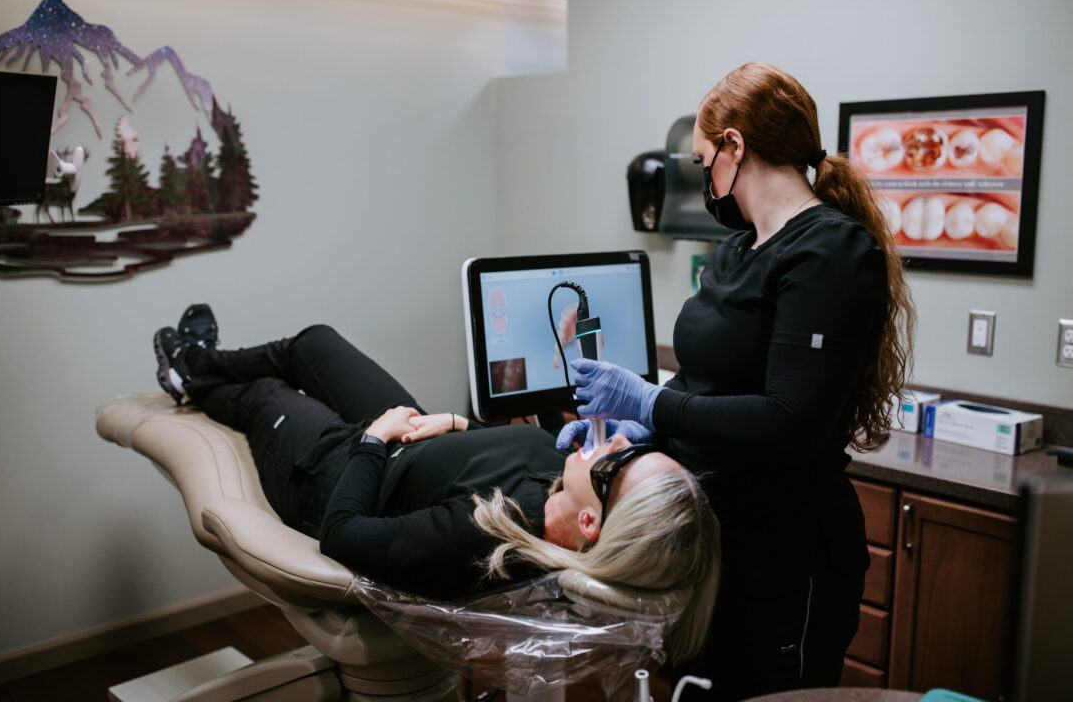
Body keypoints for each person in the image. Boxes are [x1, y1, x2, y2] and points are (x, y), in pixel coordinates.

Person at [557, 63, 915, 700]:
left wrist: (650, 401)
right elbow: (707, 383)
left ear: (734, 145)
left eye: (702, 161)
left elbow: (788, 421)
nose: (705, 181)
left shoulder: (830, 252)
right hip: (710, 540)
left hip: (784, 554)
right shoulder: (737, 250)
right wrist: (642, 428)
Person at [152, 305, 721, 663]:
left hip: (336, 473)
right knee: (313, 343)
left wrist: (373, 442)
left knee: (266, 394)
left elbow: (343, 535)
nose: (620, 441)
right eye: (639, 446)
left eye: (620, 462)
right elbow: (486, 458)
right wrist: (458, 423)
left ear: (590, 523)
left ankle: (192, 367)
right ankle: (198, 364)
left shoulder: (489, 536)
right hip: (418, 437)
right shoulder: (562, 487)